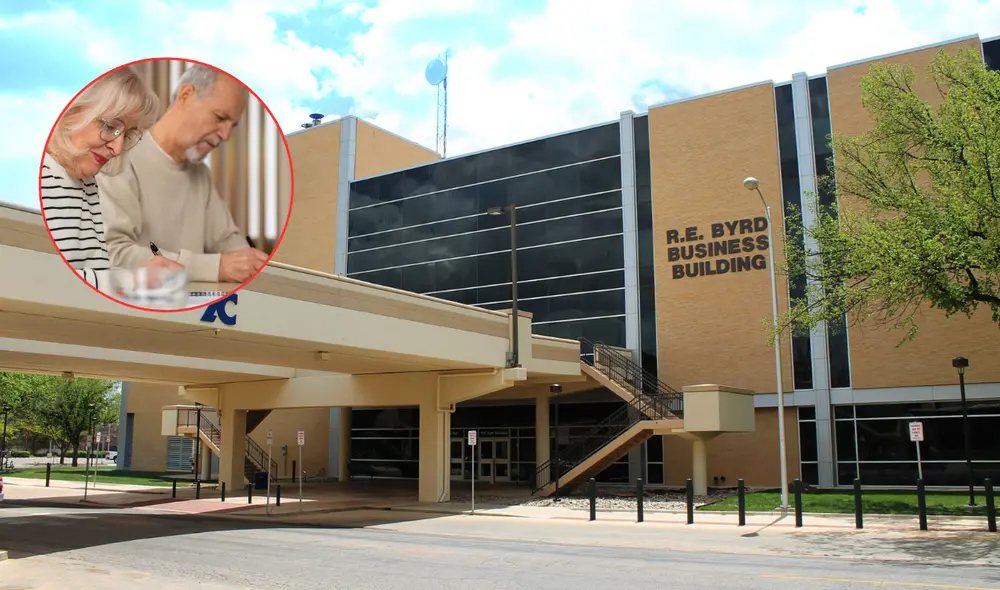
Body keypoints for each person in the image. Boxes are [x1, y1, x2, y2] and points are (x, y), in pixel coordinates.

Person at [97, 63, 268, 284]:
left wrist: (252, 263)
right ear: (185, 95)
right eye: (219, 117)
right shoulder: (119, 156)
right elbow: (112, 253)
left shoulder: (200, 176)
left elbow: (227, 240)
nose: (225, 135)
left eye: (232, 126)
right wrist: (215, 268)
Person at [41, 67, 183, 291]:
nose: (117, 148)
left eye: (127, 134)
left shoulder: (85, 182)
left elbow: (93, 272)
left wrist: (141, 275)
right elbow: (50, 282)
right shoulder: (46, 180)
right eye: (111, 126)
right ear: (72, 110)